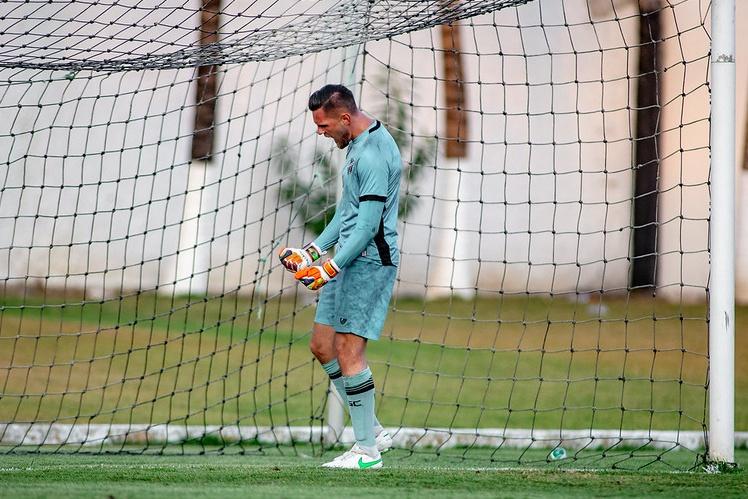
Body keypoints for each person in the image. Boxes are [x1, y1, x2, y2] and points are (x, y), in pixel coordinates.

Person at [278, 84, 401, 470]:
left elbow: (366, 226)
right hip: (348, 260)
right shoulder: (355, 149)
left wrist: (329, 267)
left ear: (345, 118)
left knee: (349, 349)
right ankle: (374, 430)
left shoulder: (375, 154)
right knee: (322, 345)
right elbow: (347, 216)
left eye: (324, 125)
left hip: (368, 262)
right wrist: (311, 253)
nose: (321, 132)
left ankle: (366, 452)